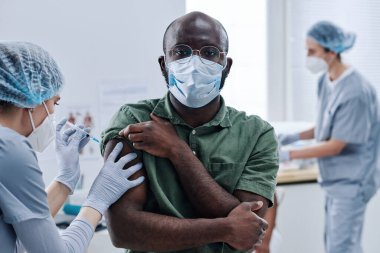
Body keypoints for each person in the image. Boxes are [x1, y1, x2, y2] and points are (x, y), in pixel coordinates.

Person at [101, 11, 279, 253]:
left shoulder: (257, 134)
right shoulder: (133, 120)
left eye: (210, 52)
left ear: (226, 65)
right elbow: (123, 229)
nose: (195, 64)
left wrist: (177, 150)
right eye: (181, 52)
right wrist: (225, 228)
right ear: (164, 64)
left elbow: (250, 230)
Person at [0, 41, 144, 253]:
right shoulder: (12, 149)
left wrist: (65, 179)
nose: (53, 114)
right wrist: (97, 201)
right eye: (54, 103)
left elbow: (23, 230)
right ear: (31, 99)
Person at [278, 21, 380, 253]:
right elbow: (326, 126)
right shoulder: (326, 80)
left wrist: (286, 153)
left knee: (342, 247)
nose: (307, 56)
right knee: (335, 244)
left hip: (353, 181)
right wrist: (290, 137)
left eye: (311, 51)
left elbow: (336, 144)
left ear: (331, 51)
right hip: (335, 179)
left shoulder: (356, 91)